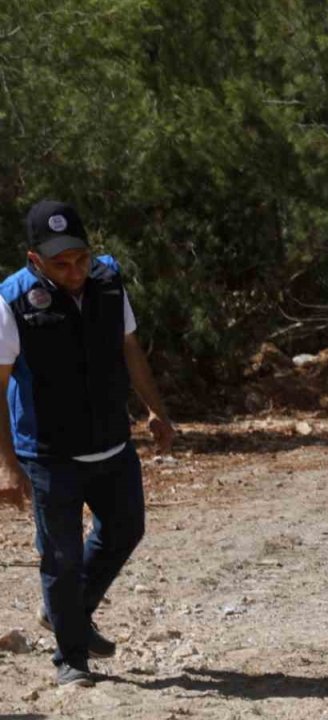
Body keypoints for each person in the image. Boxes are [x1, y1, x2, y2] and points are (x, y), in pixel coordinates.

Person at [0, 200, 175, 687]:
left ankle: (68, 613)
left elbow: (130, 348)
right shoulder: (11, 302)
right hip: (48, 452)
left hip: (111, 443)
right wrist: (6, 465)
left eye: (81, 258)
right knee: (61, 557)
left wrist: (156, 409)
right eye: (61, 263)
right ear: (35, 260)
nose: (75, 271)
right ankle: (71, 657)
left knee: (125, 529)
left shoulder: (108, 281)